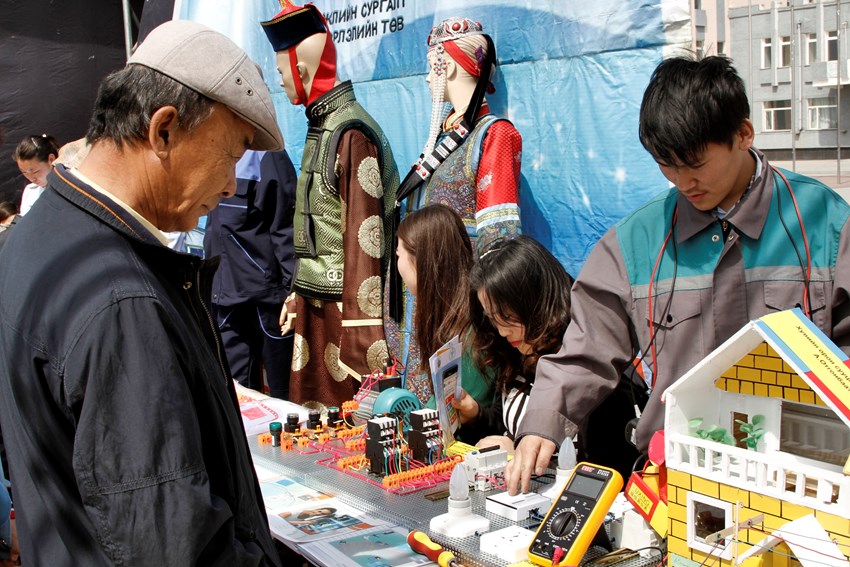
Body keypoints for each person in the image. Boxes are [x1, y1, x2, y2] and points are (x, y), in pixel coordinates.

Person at [0, 20, 284, 565]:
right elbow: (175, 545)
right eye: (231, 155)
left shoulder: (36, 235)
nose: (231, 185)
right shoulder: (122, 301)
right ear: (164, 131)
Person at [506, 54, 850, 495]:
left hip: (807, 478)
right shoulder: (635, 243)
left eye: (696, 164)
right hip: (678, 479)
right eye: (667, 165)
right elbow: (587, 348)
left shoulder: (825, 224)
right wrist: (543, 422)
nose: (683, 181)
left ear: (743, 134)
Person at [261, 2, 399, 407]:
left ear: (302, 71)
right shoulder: (324, 125)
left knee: (346, 423)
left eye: (282, 71)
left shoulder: (352, 133)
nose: (279, 80)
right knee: (313, 421)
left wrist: (362, 331)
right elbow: (316, 228)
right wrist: (297, 293)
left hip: (344, 313)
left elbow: (365, 237)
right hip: (315, 306)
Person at [387, 17, 522, 406]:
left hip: (459, 309)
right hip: (420, 302)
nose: (428, 78)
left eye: (432, 66)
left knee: (448, 410)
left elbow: (500, 239)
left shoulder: (493, 135)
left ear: (447, 65)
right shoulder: (443, 139)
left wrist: (486, 310)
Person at [451, 236, 643, 479]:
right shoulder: (517, 352)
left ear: (538, 302)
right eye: (491, 318)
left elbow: (607, 477)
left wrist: (521, 457)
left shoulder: (595, 375)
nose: (501, 331)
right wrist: (476, 414)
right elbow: (509, 423)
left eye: (507, 317)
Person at [204, 149, 297, 399]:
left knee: (281, 390)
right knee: (235, 390)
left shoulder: (268, 156)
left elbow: (286, 228)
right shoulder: (211, 149)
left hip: (267, 300)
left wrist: (293, 290)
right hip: (224, 295)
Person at [394, 204, 494, 411]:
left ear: (421, 260)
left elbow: (444, 414)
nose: (398, 264)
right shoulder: (455, 317)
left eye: (398, 254)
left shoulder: (472, 332)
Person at [12, 133, 59, 215]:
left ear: (51, 159)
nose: (31, 178)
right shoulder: (30, 192)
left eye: (35, 172)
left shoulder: (73, 181)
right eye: (24, 172)